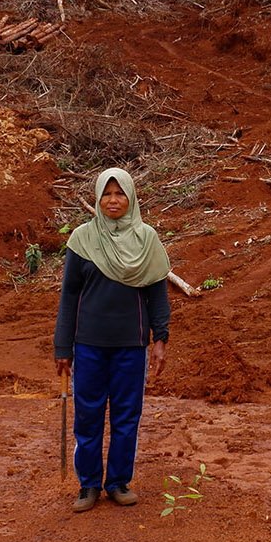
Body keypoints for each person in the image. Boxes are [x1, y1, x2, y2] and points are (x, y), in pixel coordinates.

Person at [53, 166, 171, 513]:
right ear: (98, 199)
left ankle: (118, 482)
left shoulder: (147, 239)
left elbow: (158, 296)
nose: (114, 200)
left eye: (120, 194)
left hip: (130, 345)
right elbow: (69, 296)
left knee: (126, 416)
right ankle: (88, 484)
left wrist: (159, 339)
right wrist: (63, 347)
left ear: (131, 197)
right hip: (88, 345)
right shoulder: (82, 240)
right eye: (107, 194)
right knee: (87, 416)